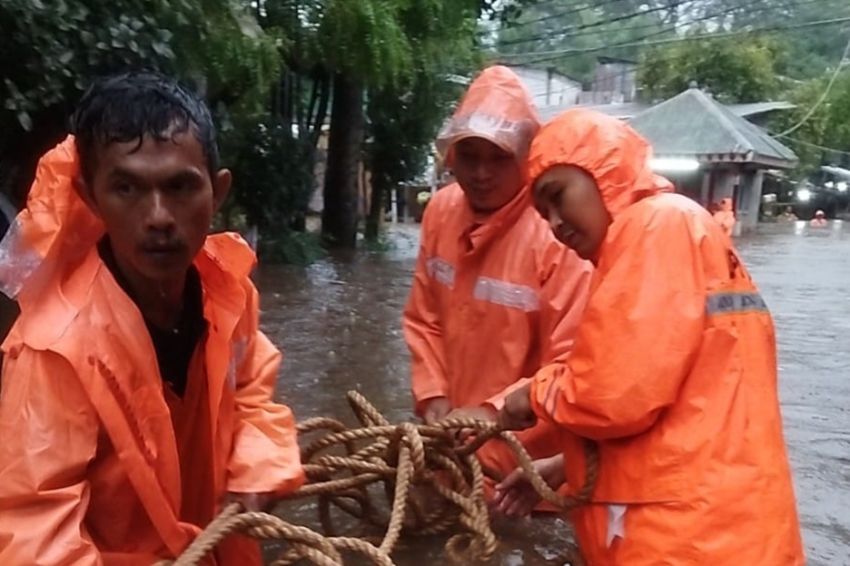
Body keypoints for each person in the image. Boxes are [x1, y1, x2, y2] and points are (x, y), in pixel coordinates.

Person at [0, 72, 304, 565]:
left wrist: (256, 469)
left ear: (217, 192)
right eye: (127, 188)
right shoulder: (52, 349)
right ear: (91, 197)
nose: (159, 215)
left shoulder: (229, 292)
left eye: (180, 186)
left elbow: (251, 393)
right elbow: (34, 537)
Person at [494, 109, 804, 564]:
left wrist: (533, 395)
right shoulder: (673, 231)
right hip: (721, 526)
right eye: (543, 215)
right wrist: (567, 466)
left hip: (689, 539)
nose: (556, 223)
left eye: (558, 196)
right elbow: (687, 408)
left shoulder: (653, 226)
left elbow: (613, 394)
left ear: (603, 170)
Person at [403, 66, 592, 496]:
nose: (482, 173)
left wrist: (490, 413)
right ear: (451, 156)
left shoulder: (559, 233)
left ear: (526, 158)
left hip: (530, 467)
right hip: (451, 447)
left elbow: (574, 362)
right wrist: (433, 397)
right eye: (469, 156)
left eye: (499, 157)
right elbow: (423, 318)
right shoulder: (441, 212)